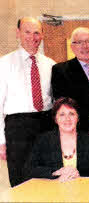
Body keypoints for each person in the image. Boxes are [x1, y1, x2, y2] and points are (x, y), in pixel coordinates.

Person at [0, 17, 56, 186]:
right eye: (27, 32)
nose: (33, 37)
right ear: (18, 33)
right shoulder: (3, 64)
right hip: (17, 129)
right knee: (20, 178)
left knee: (48, 175)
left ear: (43, 35)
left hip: (46, 124)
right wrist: (1, 141)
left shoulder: (51, 64)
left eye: (37, 32)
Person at [28, 97, 89, 181]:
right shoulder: (43, 140)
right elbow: (30, 169)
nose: (67, 119)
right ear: (55, 119)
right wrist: (56, 172)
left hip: (84, 189)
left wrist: (78, 175)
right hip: (53, 190)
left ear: (78, 118)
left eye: (71, 114)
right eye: (62, 115)